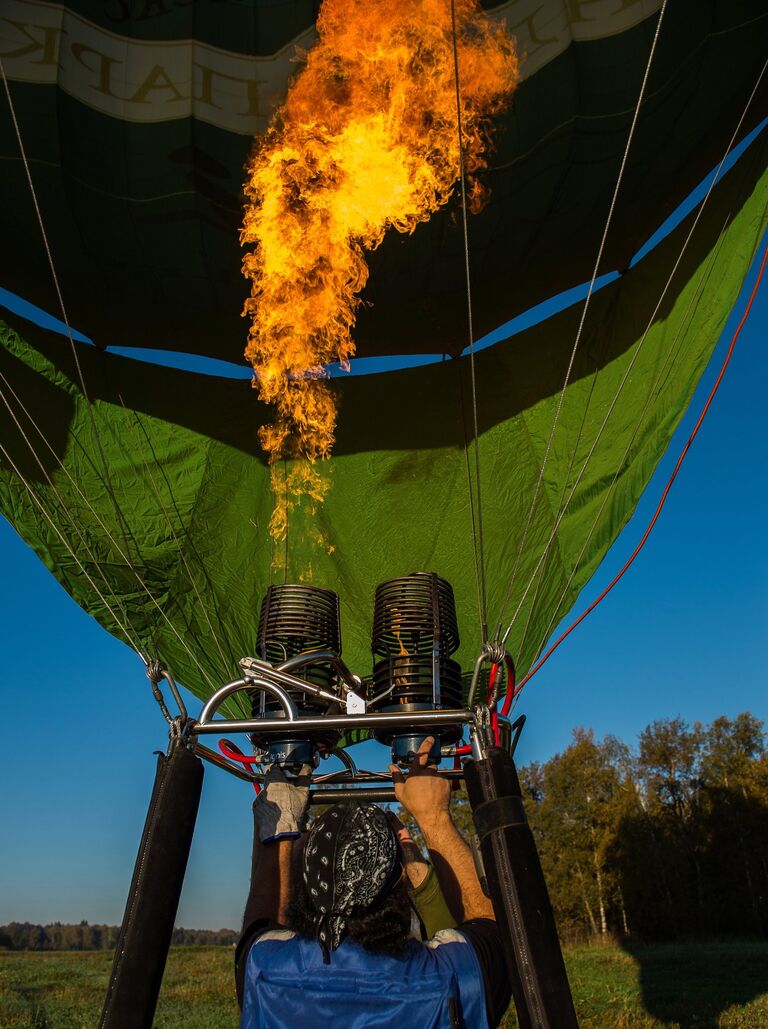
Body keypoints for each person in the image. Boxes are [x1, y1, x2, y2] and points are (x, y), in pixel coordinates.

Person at [235, 737, 511, 1028]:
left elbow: (261, 925)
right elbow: (495, 927)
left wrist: (279, 829)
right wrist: (434, 817)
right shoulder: (449, 977)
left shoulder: (265, 971)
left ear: (307, 883)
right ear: (399, 879)